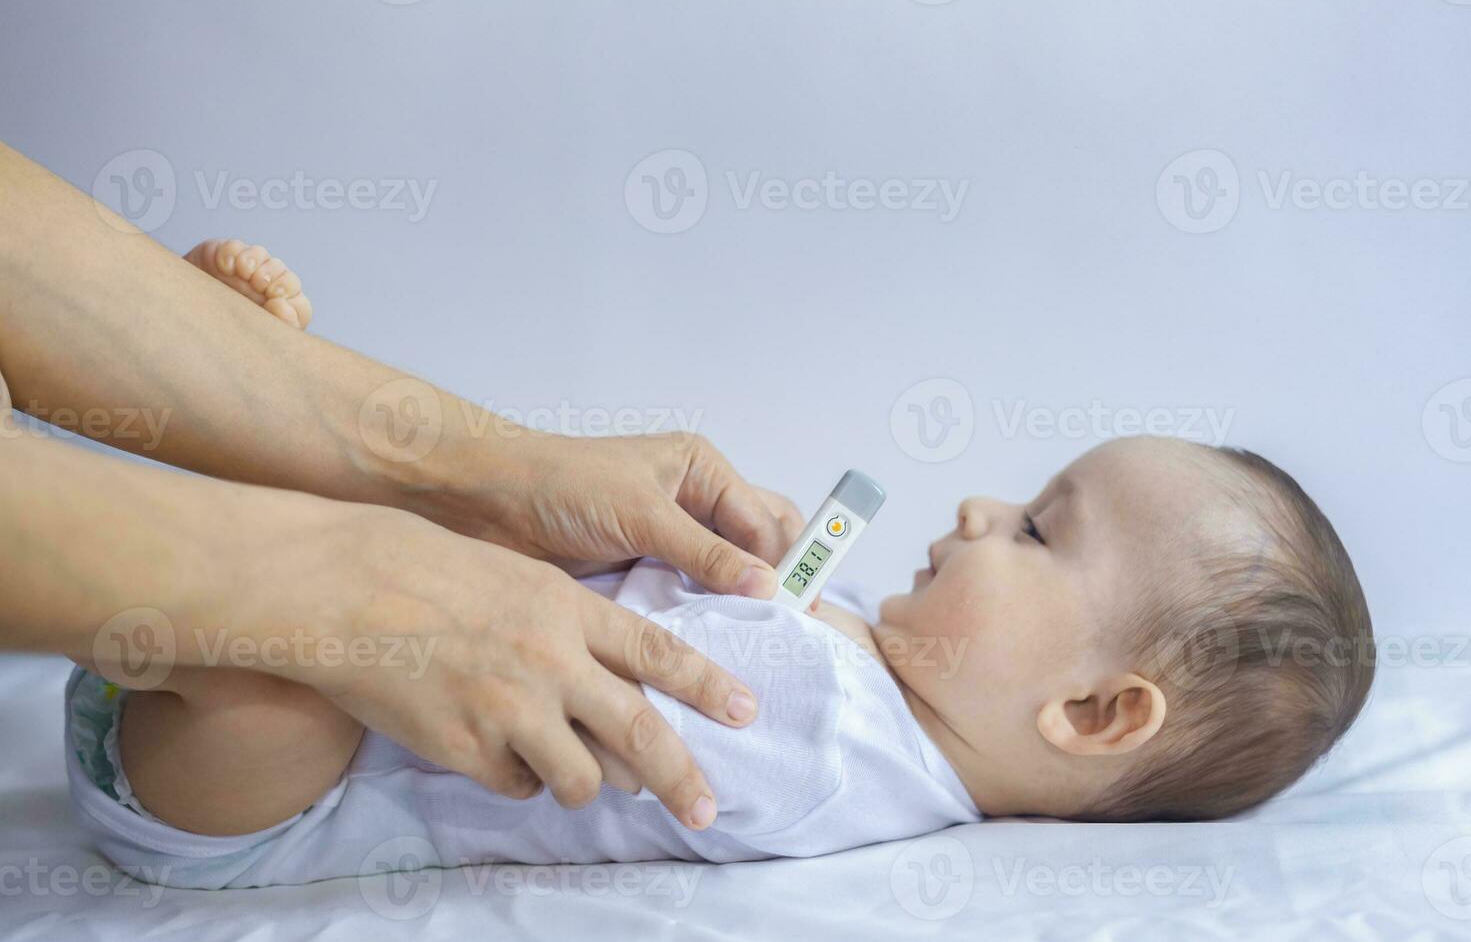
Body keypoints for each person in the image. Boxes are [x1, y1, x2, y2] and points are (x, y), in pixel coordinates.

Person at [63, 433, 1377, 888]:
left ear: (1091, 711)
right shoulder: (865, 662)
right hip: (254, 726)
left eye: (1036, 529)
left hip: (251, 796)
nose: (979, 508)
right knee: (329, 568)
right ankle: (181, 481)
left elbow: (627, 712)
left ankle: (165, 498)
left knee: (291, 656)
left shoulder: (829, 755)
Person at [0, 141, 810, 832]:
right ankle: (110, 580)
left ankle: (120, 560)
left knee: (279, 700)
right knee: (289, 690)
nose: (945, 514)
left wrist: (480, 480)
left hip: (213, 782)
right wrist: (360, 575)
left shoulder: (900, 751)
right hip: (173, 668)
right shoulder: (870, 725)